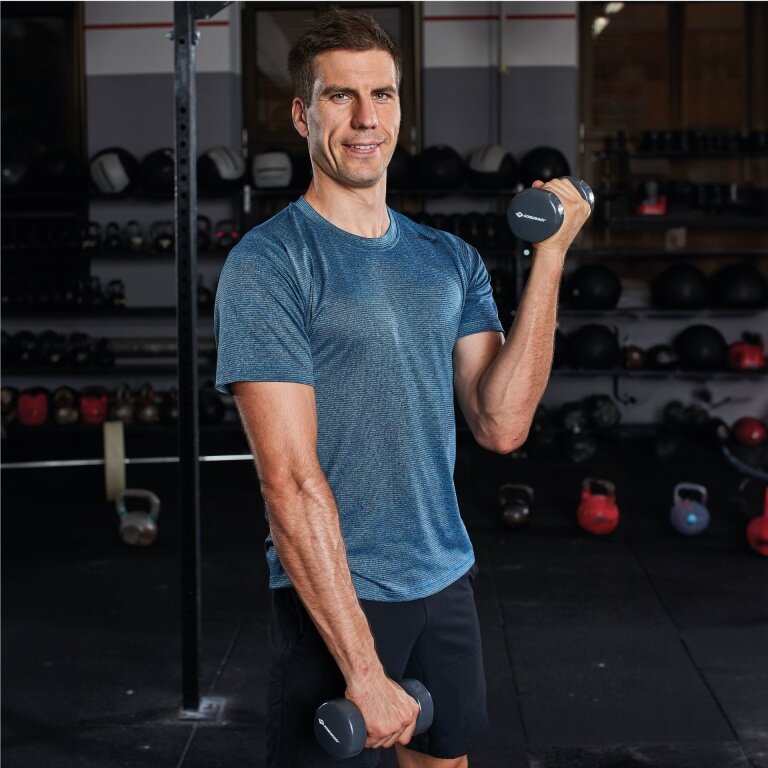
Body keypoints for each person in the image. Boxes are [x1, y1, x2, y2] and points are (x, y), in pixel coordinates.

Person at [214, 9, 590, 767]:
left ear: (399, 109)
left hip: (442, 573)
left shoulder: (448, 258)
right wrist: (361, 669)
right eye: (340, 96)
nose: (365, 118)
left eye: (381, 95)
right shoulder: (271, 263)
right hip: (337, 593)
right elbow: (289, 482)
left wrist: (549, 259)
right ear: (302, 115)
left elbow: (502, 424)